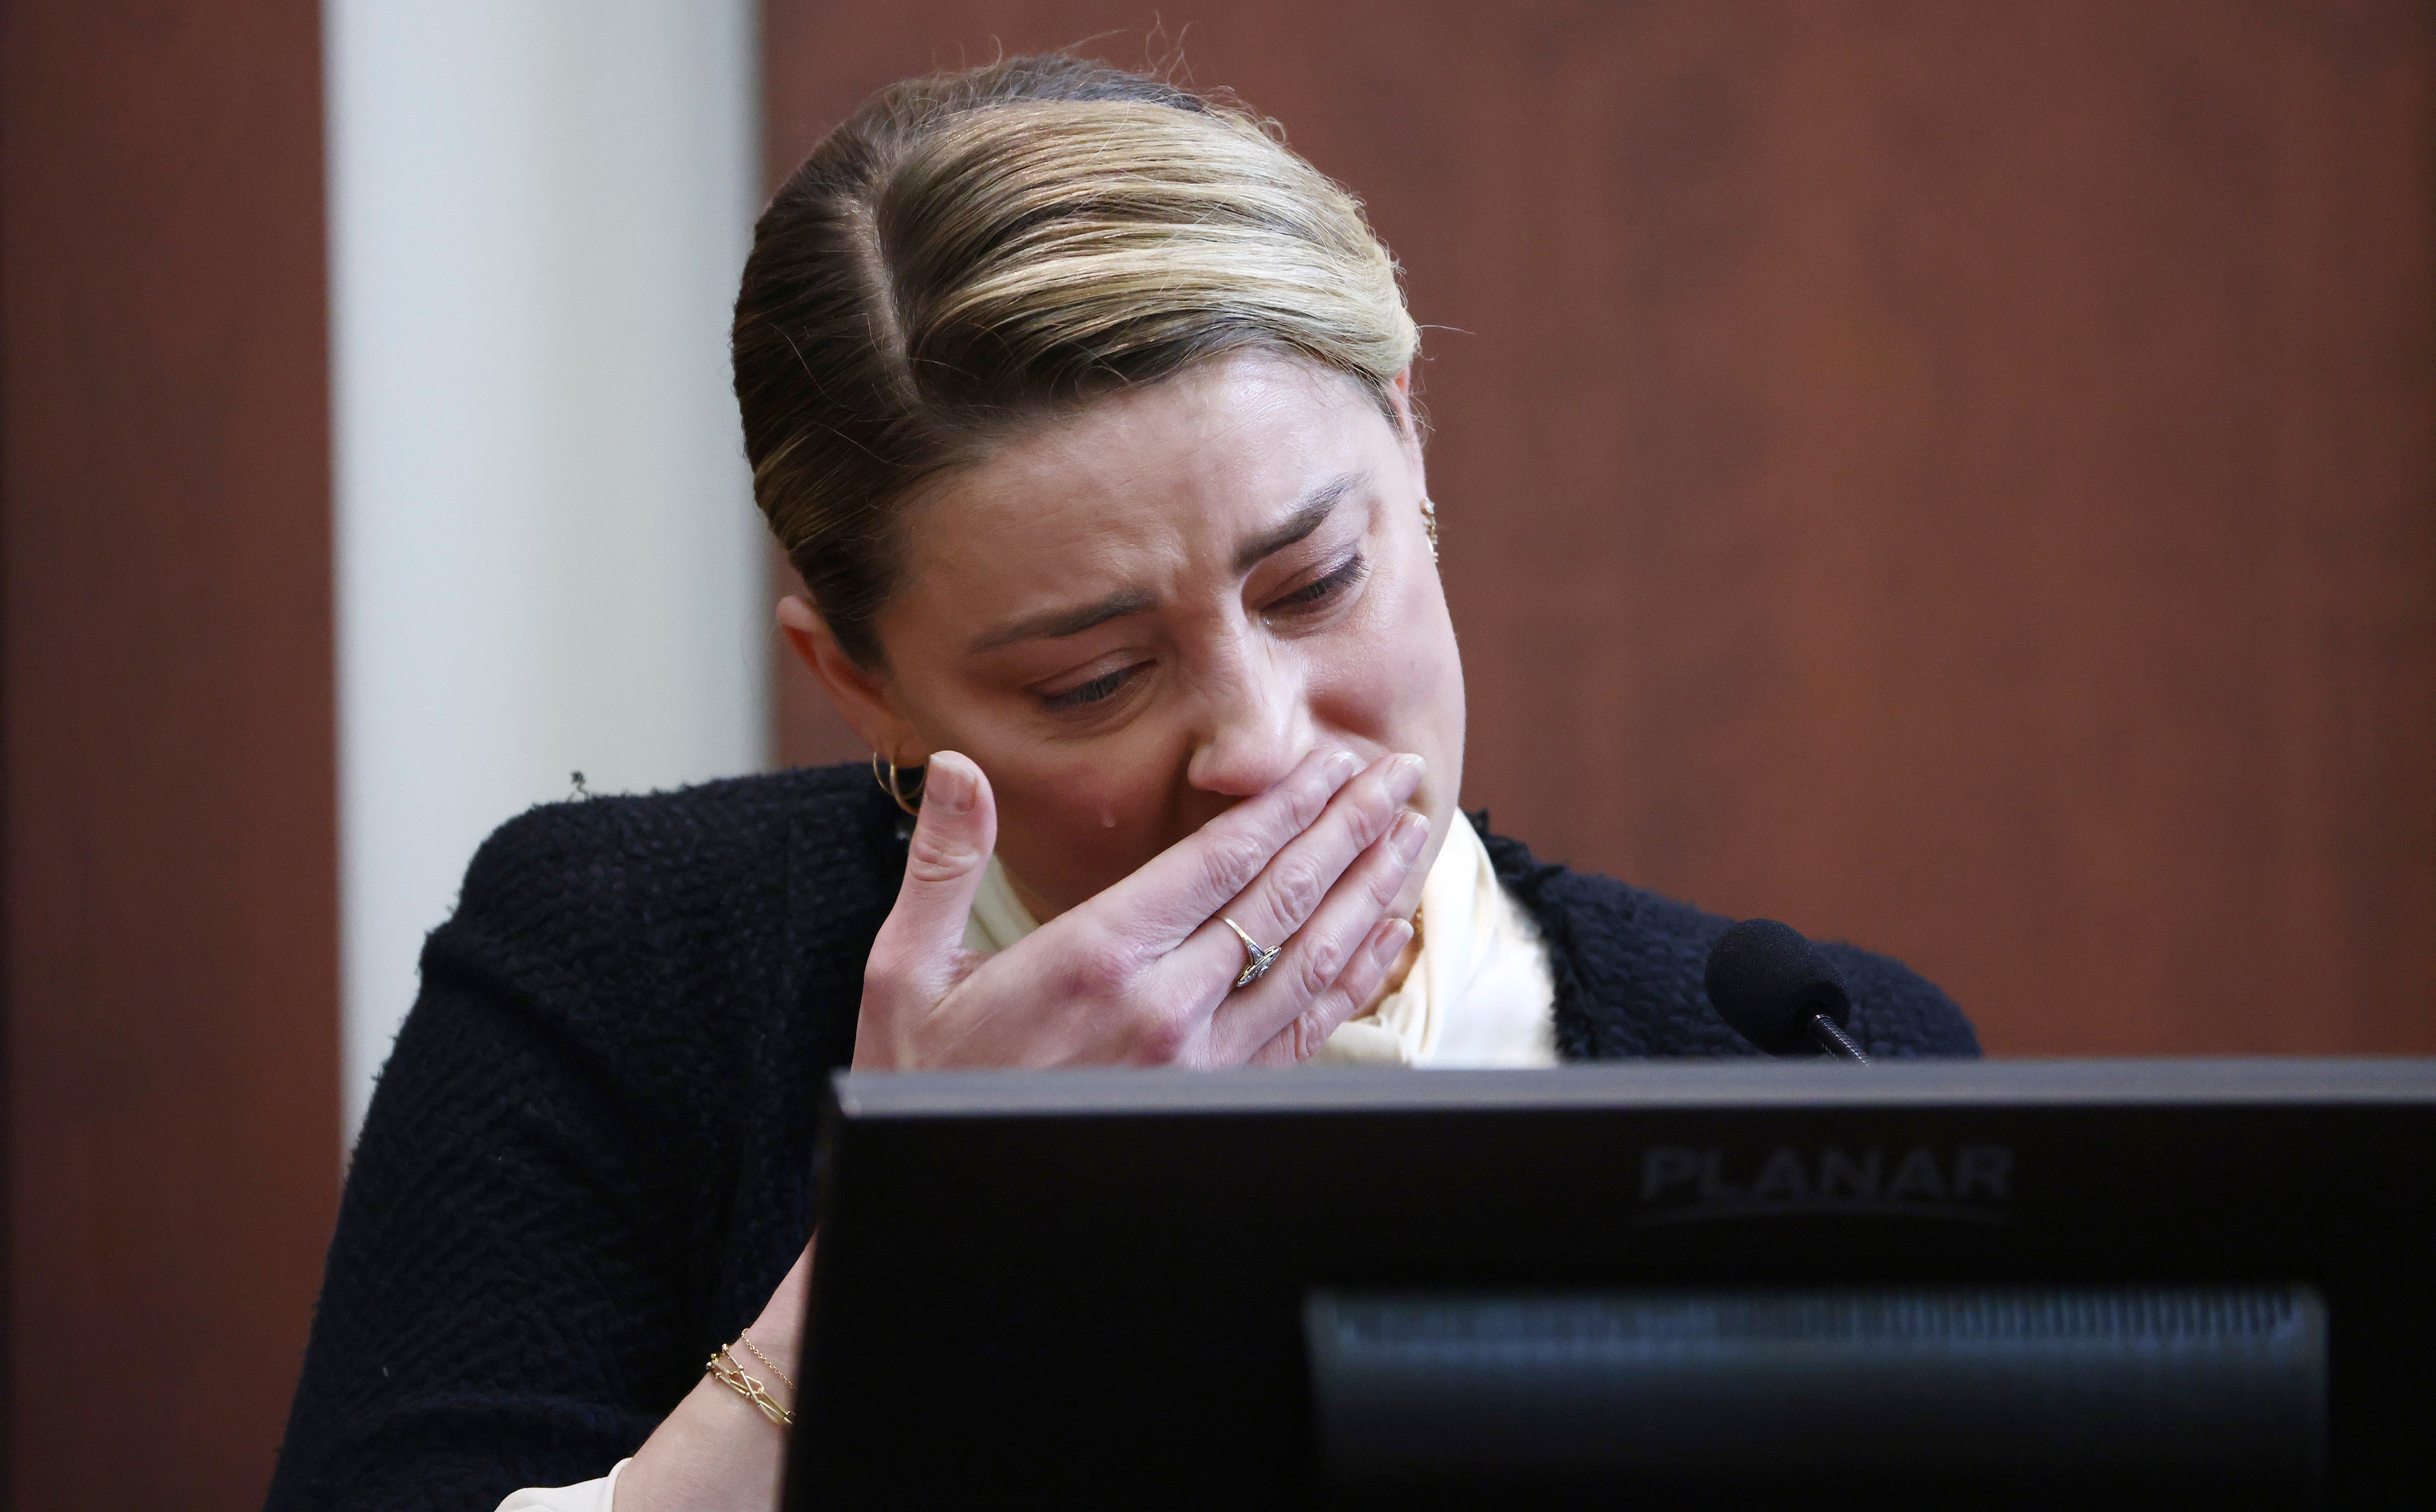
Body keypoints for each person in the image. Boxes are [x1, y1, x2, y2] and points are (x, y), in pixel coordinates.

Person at [264, 53, 1977, 1512]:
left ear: (1411, 439)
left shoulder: (1811, 1054)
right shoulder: (627, 964)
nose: (1261, 737)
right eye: (1093, 678)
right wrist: (884, 1278)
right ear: (860, 679)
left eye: (1315, 583)